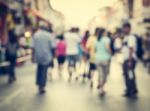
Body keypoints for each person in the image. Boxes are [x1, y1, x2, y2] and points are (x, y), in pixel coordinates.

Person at [32, 21, 53, 94]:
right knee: (44, 71)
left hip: (38, 55)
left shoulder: (36, 35)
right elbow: (52, 47)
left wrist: (32, 56)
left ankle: (39, 84)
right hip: (46, 56)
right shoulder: (49, 35)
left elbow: (33, 47)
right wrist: (53, 56)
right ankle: (42, 86)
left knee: (39, 70)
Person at [122, 22, 138, 97]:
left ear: (129, 28)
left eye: (125, 28)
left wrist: (129, 60)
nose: (124, 29)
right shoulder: (126, 37)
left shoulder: (131, 37)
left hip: (129, 59)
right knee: (129, 75)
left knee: (129, 75)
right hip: (127, 59)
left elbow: (131, 49)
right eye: (124, 28)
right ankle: (132, 89)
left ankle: (130, 90)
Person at [94, 29, 111, 96]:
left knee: (100, 74)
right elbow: (107, 48)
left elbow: (95, 50)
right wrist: (110, 53)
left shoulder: (96, 40)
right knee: (105, 75)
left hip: (97, 59)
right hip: (105, 59)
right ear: (104, 33)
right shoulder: (106, 39)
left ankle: (100, 87)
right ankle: (102, 88)